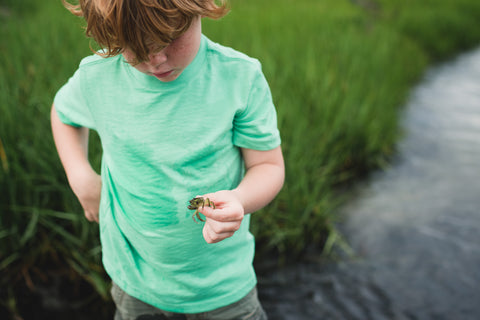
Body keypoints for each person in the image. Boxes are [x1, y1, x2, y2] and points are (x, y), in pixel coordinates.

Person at [51, 0, 284, 319]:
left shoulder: (239, 77)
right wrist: (82, 178)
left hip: (223, 287)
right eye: (136, 48)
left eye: (170, 39)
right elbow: (63, 114)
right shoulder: (98, 76)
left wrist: (240, 200)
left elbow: (268, 166)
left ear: (199, 9)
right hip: (136, 282)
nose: (156, 59)